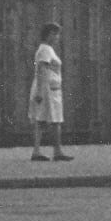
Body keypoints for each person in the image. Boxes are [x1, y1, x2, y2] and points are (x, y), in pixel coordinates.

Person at [28, 22, 72, 162]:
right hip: (47, 90)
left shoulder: (47, 49)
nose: (57, 37)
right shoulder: (45, 50)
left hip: (51, 89)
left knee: (46, 120)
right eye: (55, 34)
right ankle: (53, 151)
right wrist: (40, 92)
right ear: (49, 34)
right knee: (51, 120)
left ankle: (44, 151)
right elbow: (42, 69)